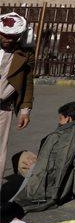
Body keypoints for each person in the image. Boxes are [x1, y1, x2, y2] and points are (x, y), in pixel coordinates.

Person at [11, 101, 75, 213]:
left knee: (20, 157)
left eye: (60, 118)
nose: (59, 122)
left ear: (68, 118)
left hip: (53, 182)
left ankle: (15, 194)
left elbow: (47, 168)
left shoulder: (61, 136)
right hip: (71, 170)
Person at [0, 12, 34, 179]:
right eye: (5, 35)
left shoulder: (24, 53)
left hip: (3, 107)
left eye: (12, 37)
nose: (8, 39)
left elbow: (28, 82)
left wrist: (25, 110)